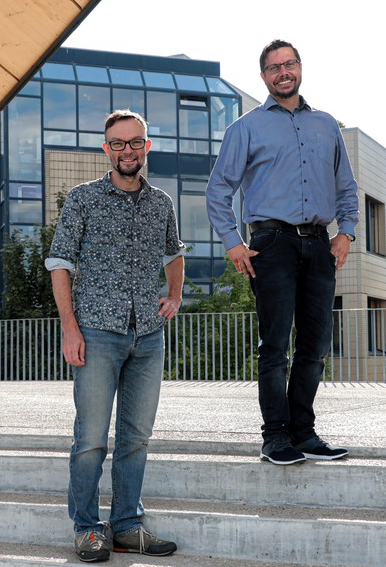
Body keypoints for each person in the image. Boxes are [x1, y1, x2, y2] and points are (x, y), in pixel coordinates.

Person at [206, 39, 359, 466]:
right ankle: (275, 437)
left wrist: (345, 232)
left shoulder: (327, 125)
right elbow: (219, 190)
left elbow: (346, 187)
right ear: (264, 77)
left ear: (300, 68)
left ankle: (304, 434)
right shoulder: (245, 128)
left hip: (319, 242)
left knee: (316, 344)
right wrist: (233, 242)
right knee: (275, 346)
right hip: (270, 243)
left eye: (289, 63)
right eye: (274, 67)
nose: (283, 72)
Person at [46, 109, 185, 562]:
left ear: (147, 146)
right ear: (106, 149)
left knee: (136, 437)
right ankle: (88, 528)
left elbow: (173, 252)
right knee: (90, 439)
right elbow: (60, 264)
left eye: (136, 142)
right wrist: (70, 328)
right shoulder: (83, 199)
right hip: (97, 332)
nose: (128, 150)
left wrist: (175, 296)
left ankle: (127, 525)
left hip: (148, 334)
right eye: (118, 143)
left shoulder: (161, 202)